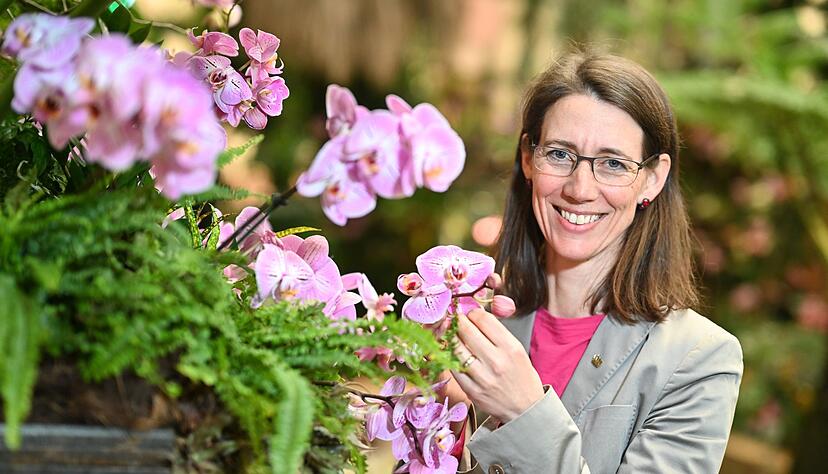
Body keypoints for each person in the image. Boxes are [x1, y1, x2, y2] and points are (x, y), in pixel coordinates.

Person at [448, 49, 743, 473]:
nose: (580, 188)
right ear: (529, 158)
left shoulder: (698, 360)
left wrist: (523, 412)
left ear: (653, 178)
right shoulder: (476, 321)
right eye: (560, 154)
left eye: (612, 163)